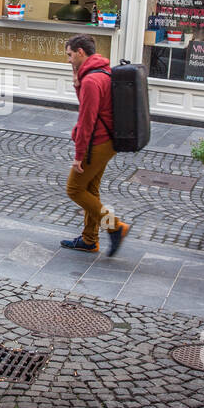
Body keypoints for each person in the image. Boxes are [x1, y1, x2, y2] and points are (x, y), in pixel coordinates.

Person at [61, 34, 131, 256]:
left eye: (70, 55)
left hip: (97, 143)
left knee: (74, 189)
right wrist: (76, 80)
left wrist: (79, 155)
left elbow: (87, 121)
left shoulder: (91, 81)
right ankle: (89, 240)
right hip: (108, 140)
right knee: (90, 190)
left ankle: (115, 226)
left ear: (81, 52)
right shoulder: (102, 71)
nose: (69, 60)